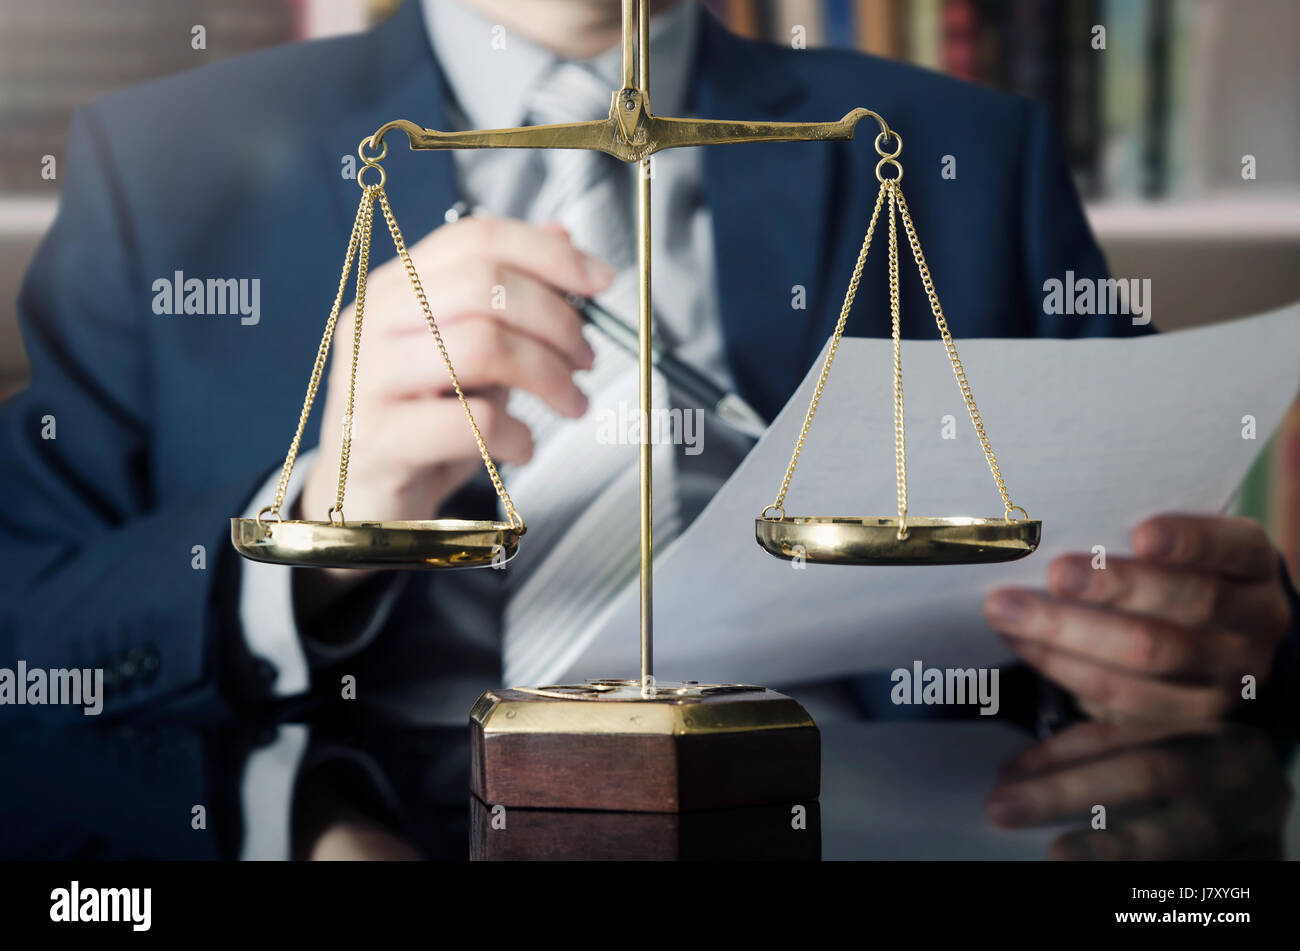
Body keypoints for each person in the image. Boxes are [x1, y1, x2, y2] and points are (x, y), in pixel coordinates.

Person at [0, 0, 1293, 723]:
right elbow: (27, 633)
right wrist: (312, 531)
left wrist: (1227, 643)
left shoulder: (963, 152)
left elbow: (1177, 585)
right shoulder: (166, 165)